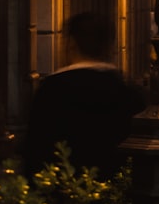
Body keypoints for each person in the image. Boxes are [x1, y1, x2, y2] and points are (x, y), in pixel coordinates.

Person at [22, 12, 145, 181]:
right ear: (111, 46)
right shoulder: (126, 90)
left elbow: (36, 151)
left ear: (71, 43)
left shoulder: (53, 89)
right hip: (113, 196)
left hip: (64, 194)